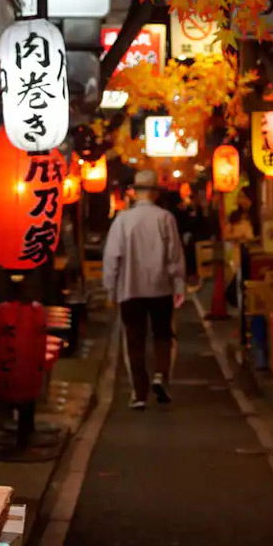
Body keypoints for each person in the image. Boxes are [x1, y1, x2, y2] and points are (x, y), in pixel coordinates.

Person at [102, 169, 186, 409]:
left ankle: (139, 393)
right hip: (160, 287)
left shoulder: (122, 220)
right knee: (163, 335)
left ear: (135, 193)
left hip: (130, 289)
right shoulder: (165, 218)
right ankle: (161, 375)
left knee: (134, 340)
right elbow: (174, 256)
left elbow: (112, 257)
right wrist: (178, 284)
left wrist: (110, 289)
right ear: (156, 194)